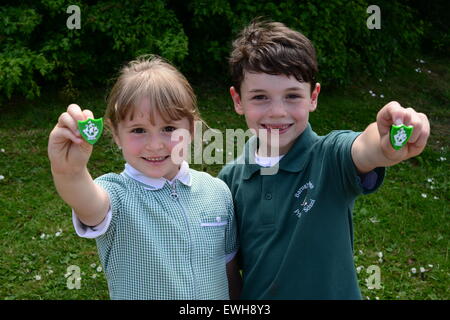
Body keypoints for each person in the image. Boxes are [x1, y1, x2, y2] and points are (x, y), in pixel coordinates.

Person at [218, 20, 430, 299]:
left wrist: (384, 144)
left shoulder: (330, 157)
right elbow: (228, 268)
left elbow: (363, 148)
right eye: (260, 97)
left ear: (313, 97)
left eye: (293, 96)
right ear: (238, 101)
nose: (278, 112)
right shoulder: (228, 181)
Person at [48, 55, 240, 300]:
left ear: (191, 129)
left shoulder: (217, 192)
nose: (155, 145)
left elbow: (230, 272)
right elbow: (87, 202)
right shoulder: (115, 194)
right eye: (138, 130)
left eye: (169, 129)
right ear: (116, 133)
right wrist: (69, 172)